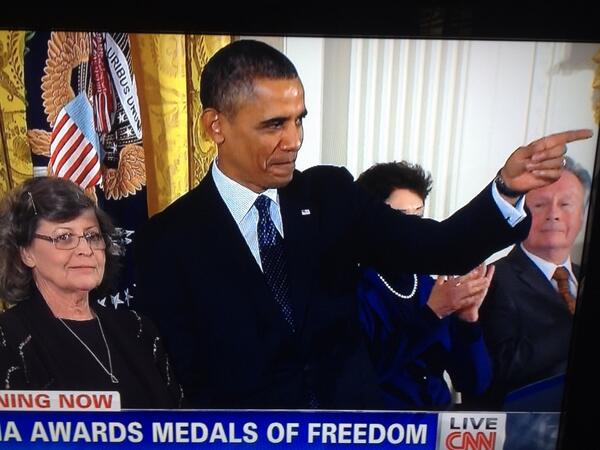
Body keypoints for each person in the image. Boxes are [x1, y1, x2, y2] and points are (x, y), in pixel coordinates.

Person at [133, 39, 592, 409]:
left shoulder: (330, 196)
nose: (294, 141)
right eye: (274, 125)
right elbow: (179, 380)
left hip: (353, 432)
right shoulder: (168, 238)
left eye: (299, 121)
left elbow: (441, 247)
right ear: (216, 126)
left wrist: (507, 189)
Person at [0, 177, 183, 409]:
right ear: (26, 253)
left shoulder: (138, 329)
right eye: (64, 237)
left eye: (92, 236)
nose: (85, 250)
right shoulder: (8, 338)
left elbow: (179, 426)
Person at [355, 161, 493, 410]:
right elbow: (362, 377)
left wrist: (468, 322)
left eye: (418, 217)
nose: (414, 229)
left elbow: (474, 383)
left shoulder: (432, 285)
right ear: (369, 221)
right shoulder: (353, 289)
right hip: (379, 431)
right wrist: (431, 315)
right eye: (400, 219)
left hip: (437, 428)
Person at [473, 156, 591, 409]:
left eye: (566, 204)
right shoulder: (493, 280)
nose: (554, 215)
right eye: (540, 205)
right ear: (521, 214)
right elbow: (500, 370)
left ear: (582, 216)